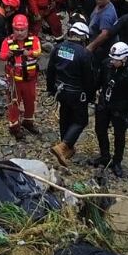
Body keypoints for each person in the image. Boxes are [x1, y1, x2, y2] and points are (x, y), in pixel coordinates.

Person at [47, 21, 97, 165]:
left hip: (60, 90)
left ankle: (67, 147)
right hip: (76, 93)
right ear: (84, 38)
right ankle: (63, 146)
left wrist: (51, 89)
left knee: (65, 115)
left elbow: (51, 70)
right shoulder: (84, 53)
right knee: (81, 120)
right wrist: (91, 95)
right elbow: (89, 77)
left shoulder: (58, 48)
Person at [94, 42, 128, 177]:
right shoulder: (106, 64)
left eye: (116, 60)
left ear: (125, 59)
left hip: (120, 108)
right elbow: (99, 80)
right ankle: (104, 156)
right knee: (100, 130)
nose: (113, 62)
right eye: (112, 59)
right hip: (104, 104)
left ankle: (117, 161)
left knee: (119, 136)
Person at [1, 14, 42, 137]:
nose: (19, 33)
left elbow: (38, 52)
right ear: (13, 29)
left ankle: (28, 122)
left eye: (22, 30)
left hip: (30, 79)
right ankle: (14, 126)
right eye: (17, 30)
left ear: (27, 29)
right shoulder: (7, 41)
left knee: (30, 101)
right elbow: (1, 56)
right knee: (13, 103)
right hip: (14, 80)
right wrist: (9, 54)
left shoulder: (34, 40)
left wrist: (27, 53)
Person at [86, 0, 119, 64]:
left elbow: (105, 34)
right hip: (94, 37)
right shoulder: (102, 5)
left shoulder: (107, 15)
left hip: (102, 47)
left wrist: (91, 47)